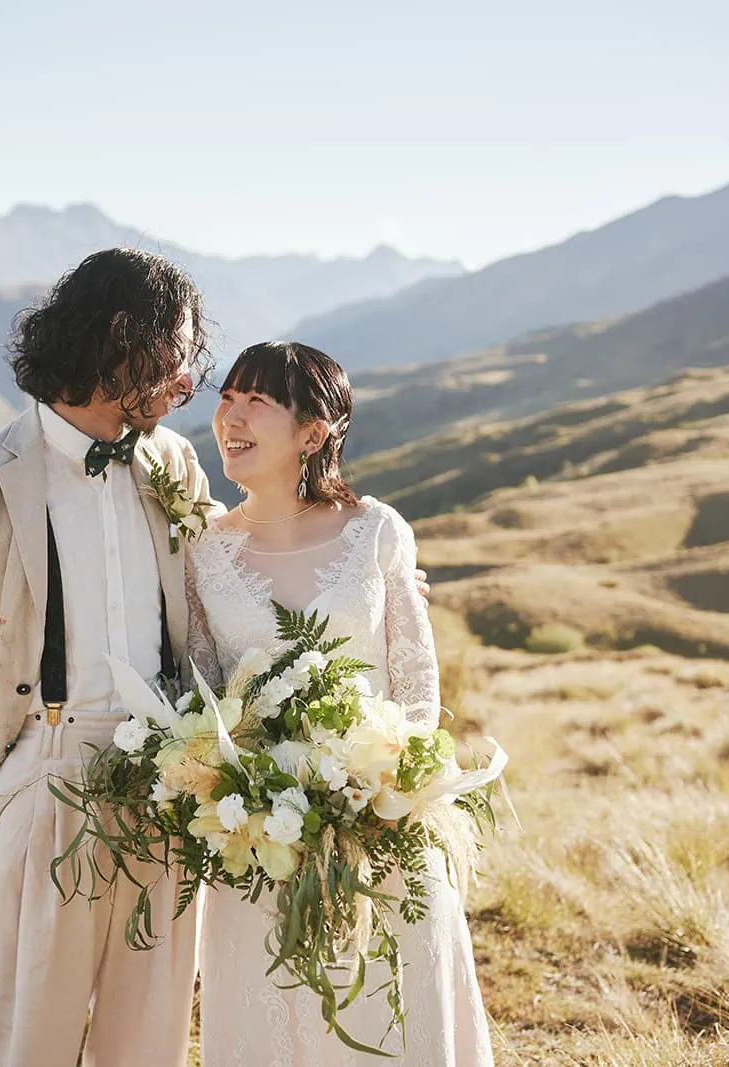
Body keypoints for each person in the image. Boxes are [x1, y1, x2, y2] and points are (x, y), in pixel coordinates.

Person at [0, 247, 217, 1067]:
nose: (187, 381)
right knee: (18, 1033)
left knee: (147, 1033)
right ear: (120, 337)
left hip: (168, 780)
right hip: (40, 770)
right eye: (177, 351)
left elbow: (225, 577)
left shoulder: (172, 462)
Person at [186, 341, 494, 1066]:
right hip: (256, 839)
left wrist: (387, 789)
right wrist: (248, 796)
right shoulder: (202, 550)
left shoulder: (378, 530)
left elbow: (418, 680)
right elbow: (201, 692)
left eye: (256, 400)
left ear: (313, 431)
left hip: (382, 824)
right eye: (226, 397)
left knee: (387, 1008)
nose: (230, 414)